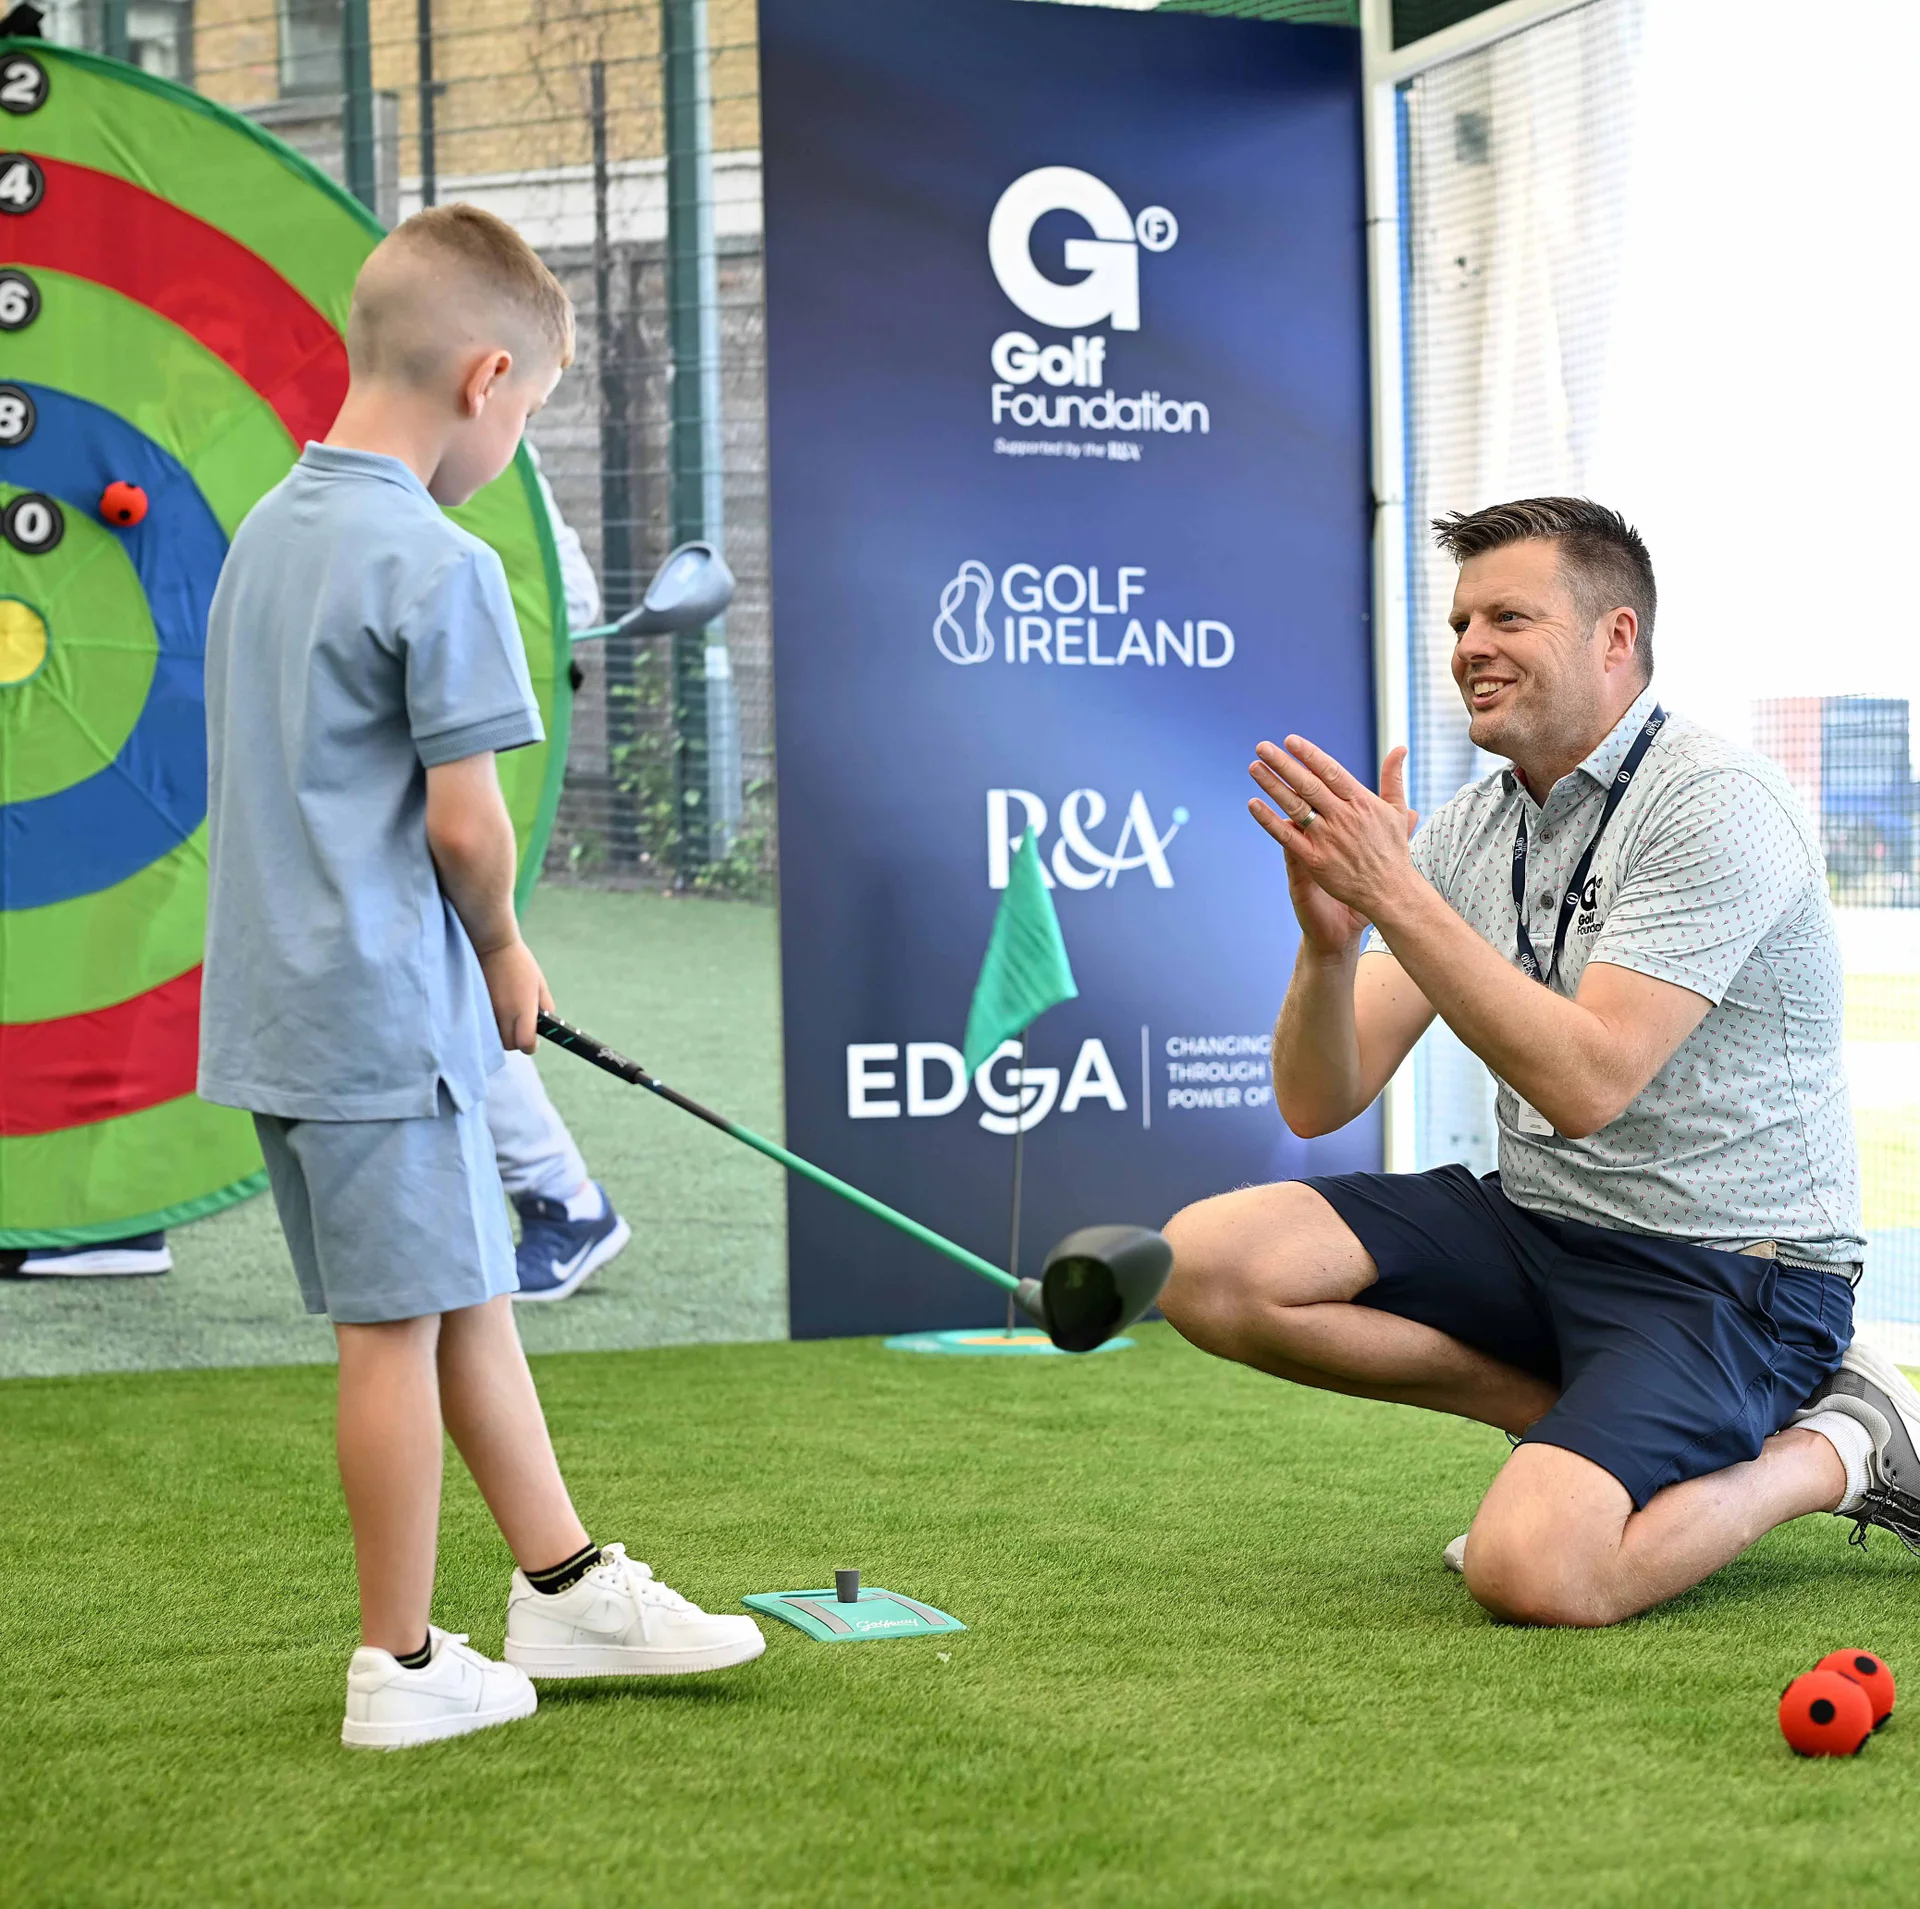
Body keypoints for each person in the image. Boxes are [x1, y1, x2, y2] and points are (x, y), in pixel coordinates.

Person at [197, 202, 762, 1746]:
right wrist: (506, 946)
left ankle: (564, 1586)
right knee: (398, 1332)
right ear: (486, 378)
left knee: (465, 1297)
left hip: (284, 1009)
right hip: (387, 1013)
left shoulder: (263, 536)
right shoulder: (440, 564)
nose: (515, 444)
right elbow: (466, 823)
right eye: (532, 415)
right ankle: (398, 1664)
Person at [1161, 496, 1920, 1628]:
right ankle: (1562, 1421)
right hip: (1540, 1228)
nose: (1471, 646)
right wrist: (1328, 949)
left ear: (1616, 637)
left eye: (1508, 617)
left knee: (1533, 1573)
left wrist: (1400, 897)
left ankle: (1841, 1443)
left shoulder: (1717, 803)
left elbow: (1588, 1085)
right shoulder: (1470, 829)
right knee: (1204, 1262)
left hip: (1734, 1273)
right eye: (1461, 622)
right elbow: (1320, 1098)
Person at [16, 421, 629, 1305]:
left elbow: (554, 601)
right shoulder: (305, 503)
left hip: (386, 807)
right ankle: (113, 1199)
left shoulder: (443, 506)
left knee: (427, 980)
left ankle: (561, 1195)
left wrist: (498, 941)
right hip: (296, 763)